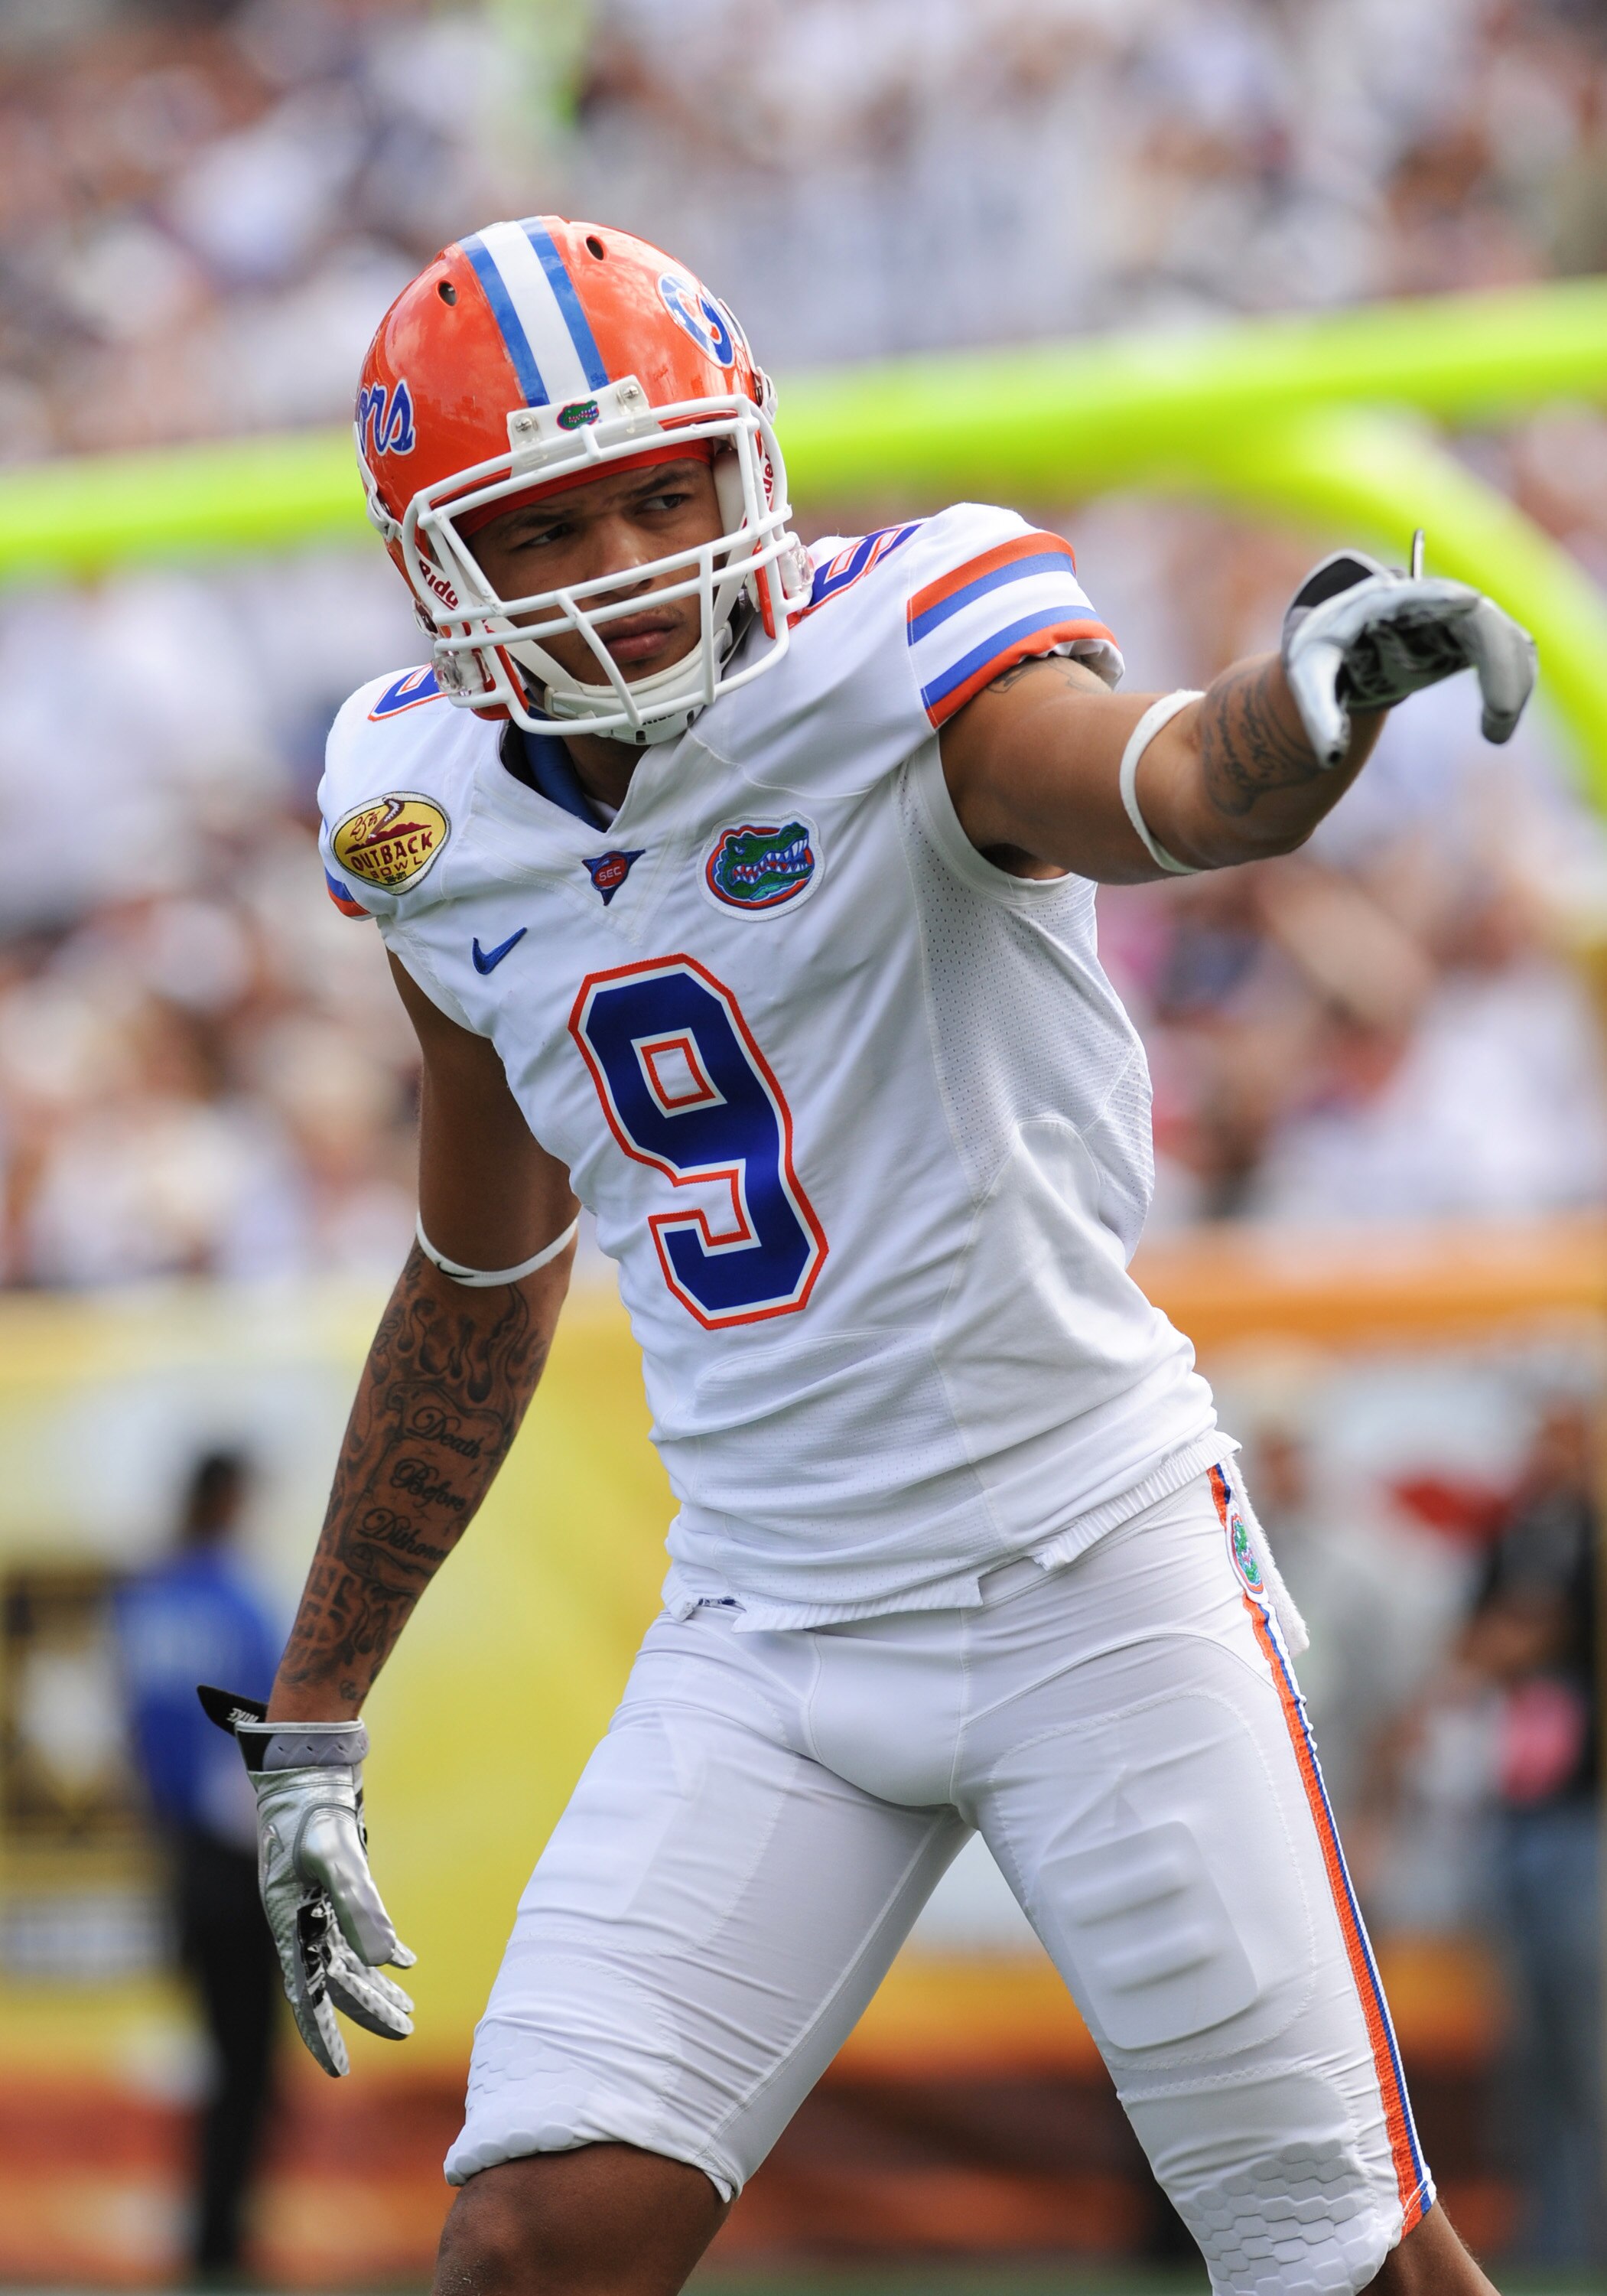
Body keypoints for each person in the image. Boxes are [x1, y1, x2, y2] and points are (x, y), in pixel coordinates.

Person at [202, 217, 1536, 2296]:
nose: (638, 554)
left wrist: (1296, 707)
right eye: (555, 523)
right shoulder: (412, 811)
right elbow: (477, 1267)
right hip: (769, 1626)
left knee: (1335, 2262)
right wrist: (316, 1712)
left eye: (668, 488)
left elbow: (1162, 783)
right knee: (527, 2244)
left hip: (1088, 1562)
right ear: (438, 565)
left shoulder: (900, 645)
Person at [117, 1451, 282, 2281]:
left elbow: (140, 1738)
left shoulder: (145, 1601)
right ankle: (221, 2238)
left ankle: (209, 2233)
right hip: (240, 1856)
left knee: (216, 2051)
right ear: (229, 1497)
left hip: (181, 1857)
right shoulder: (238, 1604)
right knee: (251, 2062)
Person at [1460, 1401, 1602, 2265]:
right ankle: (1553, 2237)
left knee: (1587, 2045)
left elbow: (1518, 1638)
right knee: (1533, 2050)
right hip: (1522, 1812)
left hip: (1587, 1820)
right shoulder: (1514, 1534)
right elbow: (1478, 1645)